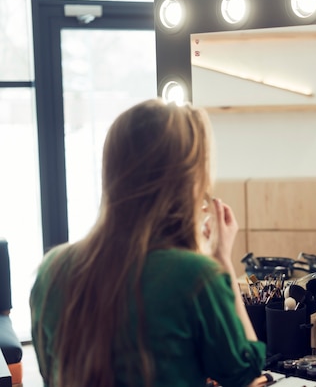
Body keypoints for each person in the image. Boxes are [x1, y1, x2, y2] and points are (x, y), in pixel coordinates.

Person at [30, 99, 266, 387]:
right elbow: (246, 375)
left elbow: (48, 371)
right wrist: (222, 263)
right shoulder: (195, 277)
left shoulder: (51, 270)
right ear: (186, 182)